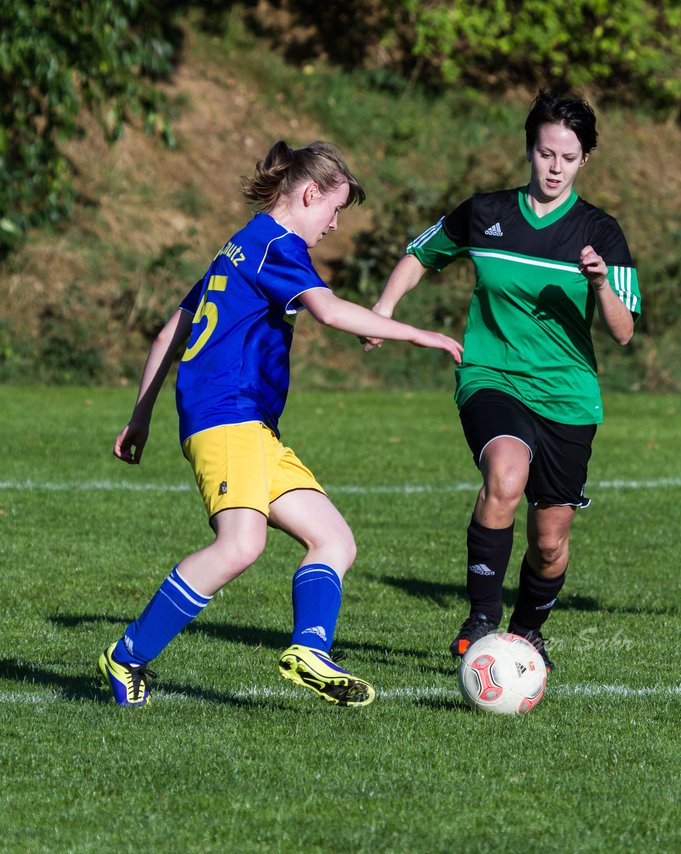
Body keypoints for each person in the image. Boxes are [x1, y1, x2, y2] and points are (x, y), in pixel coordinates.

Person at [101, 140, 463, 707]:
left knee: (334, 540)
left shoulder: (241, 246)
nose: (335, 224)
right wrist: (421, 334)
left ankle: (310, 650)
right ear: (309, 194)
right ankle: (127, 657)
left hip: (252, 427)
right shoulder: (276, 244)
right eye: (334, 209)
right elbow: (327, 308)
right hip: (227, 416)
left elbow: (171, 329)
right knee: (240, 544)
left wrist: (141, 414)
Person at [364, 91, 641, 672]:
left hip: (568, 395)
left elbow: (622, 332)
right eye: (545, 153)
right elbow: (422, 254)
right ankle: (481, 620)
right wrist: (385, 311)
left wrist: (599, 285)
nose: (555, 167)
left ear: (585, 159)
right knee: (505, 476)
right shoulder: (487, 211)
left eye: (568, 156)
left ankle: (527, 632)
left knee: (549, 542)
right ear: (529, 150)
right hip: (491, 376)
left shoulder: (600, 232)